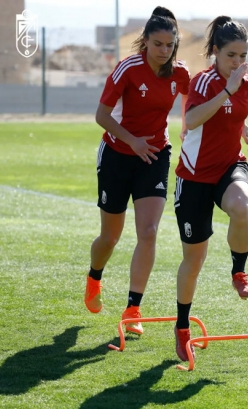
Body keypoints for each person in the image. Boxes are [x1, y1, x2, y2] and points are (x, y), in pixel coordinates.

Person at [84, 6, 190, 336]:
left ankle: (133, 308)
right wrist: (133, 142)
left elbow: (193, 99)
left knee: (148, 231)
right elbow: (102, 115)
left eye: (169, 45)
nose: (163, 51)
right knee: (110, 236)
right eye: (157, 44)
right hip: (117, 154)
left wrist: (188, 126)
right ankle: (94, 277)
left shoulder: (180, 73)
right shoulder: (127, 69)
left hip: (155, 155)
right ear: (145, 42)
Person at [172, 16, 248, 361]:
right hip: (194, 177)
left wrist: (243, 126)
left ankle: (239, 271)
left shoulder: (247, 82)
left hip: (228, 166)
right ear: (215, 53)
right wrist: (228, 91)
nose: (238, 63)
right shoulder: (204, 82)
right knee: (193, 260)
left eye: (243, 55)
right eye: (231, 56)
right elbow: (191, 120)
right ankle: (181, 328)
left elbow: (231, 111)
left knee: (241, 206)